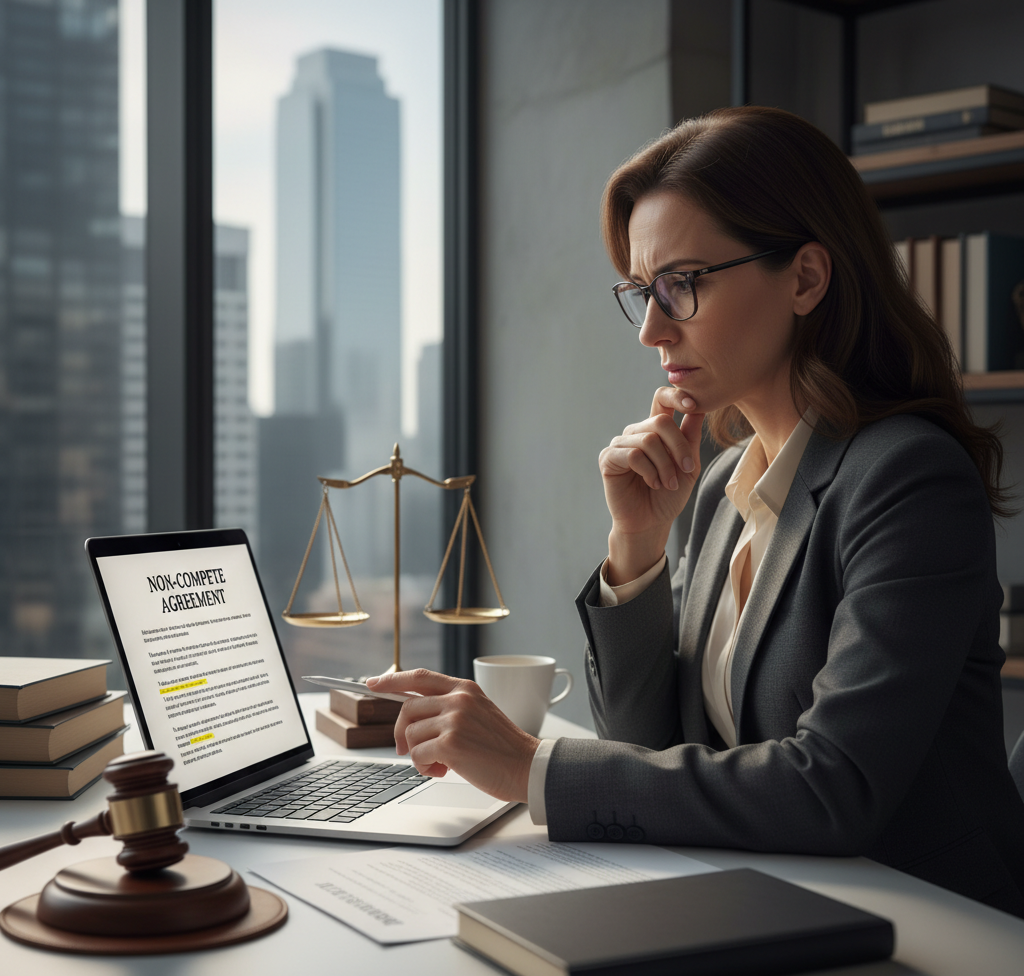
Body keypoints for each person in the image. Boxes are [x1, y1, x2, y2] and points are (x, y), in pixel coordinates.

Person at [369, 106, 1024, 917]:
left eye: (681, 285)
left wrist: (529, 766)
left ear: (806, 278)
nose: (650, 329)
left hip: (928, 928)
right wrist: (637, 544)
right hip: (767, 899)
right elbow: (654, 750)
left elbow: (835, 788)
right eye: (644, 292)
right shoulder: (720, 487)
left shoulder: (908, 478)